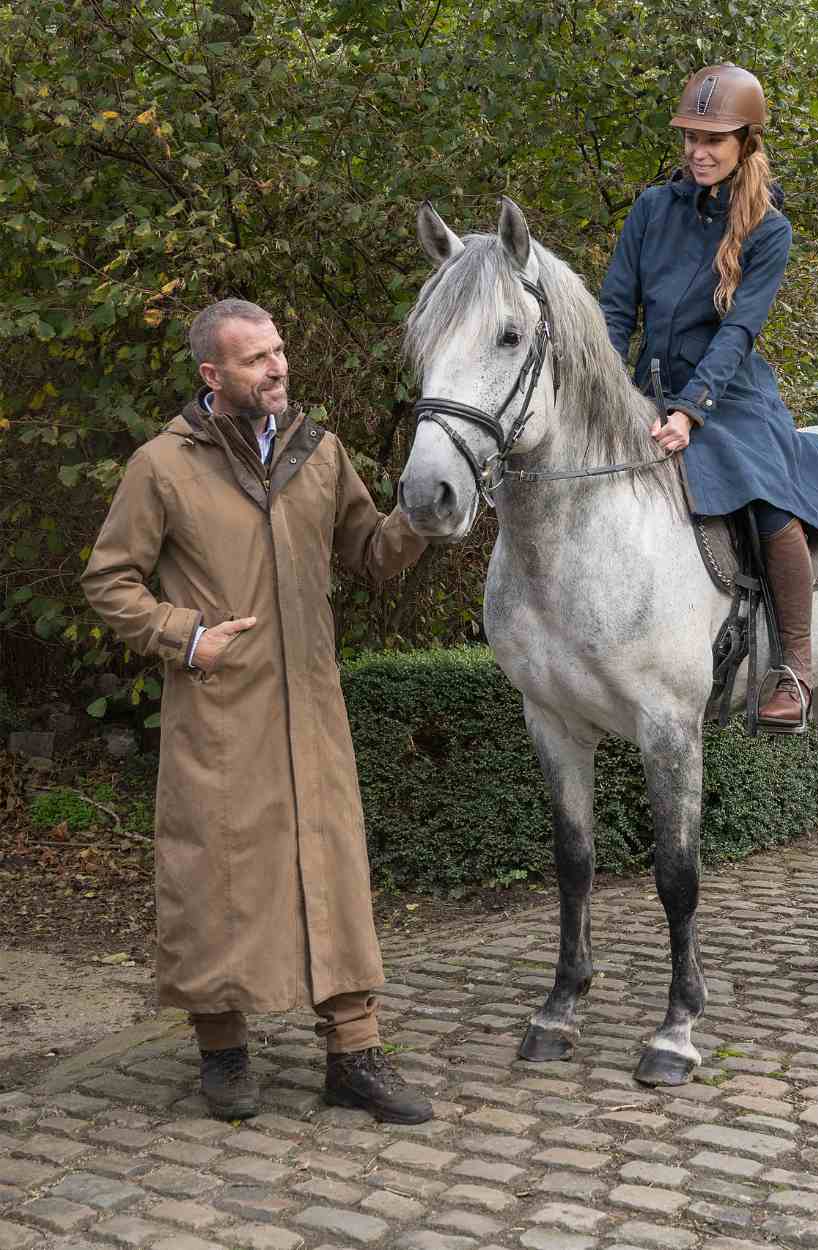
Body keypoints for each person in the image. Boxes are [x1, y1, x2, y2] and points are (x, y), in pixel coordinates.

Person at [82, 298, 433, 1123]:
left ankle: (354, 1056)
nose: (277, 368)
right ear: (213, 375)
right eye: (255, 359)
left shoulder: (321, 453)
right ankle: (223, 1051)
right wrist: (184, 636)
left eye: (279, 350)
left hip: (312, 703)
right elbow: (109, 581)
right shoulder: (162, 466)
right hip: (219, 708)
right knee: (217, 875)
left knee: (334, 869)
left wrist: (421, 517)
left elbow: (370, 555)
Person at [599, 63, 818, 731]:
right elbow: (614, 309)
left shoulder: (768, 230)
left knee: (762, 495)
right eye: (691, 137)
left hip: (731, 396)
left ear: (745, 142)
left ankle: (796, 669)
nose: (698, 152)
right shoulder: (649, 209)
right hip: (646, 389)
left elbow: (739, 331)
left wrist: (692, 410)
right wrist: (605, 390)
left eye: (714, 140)